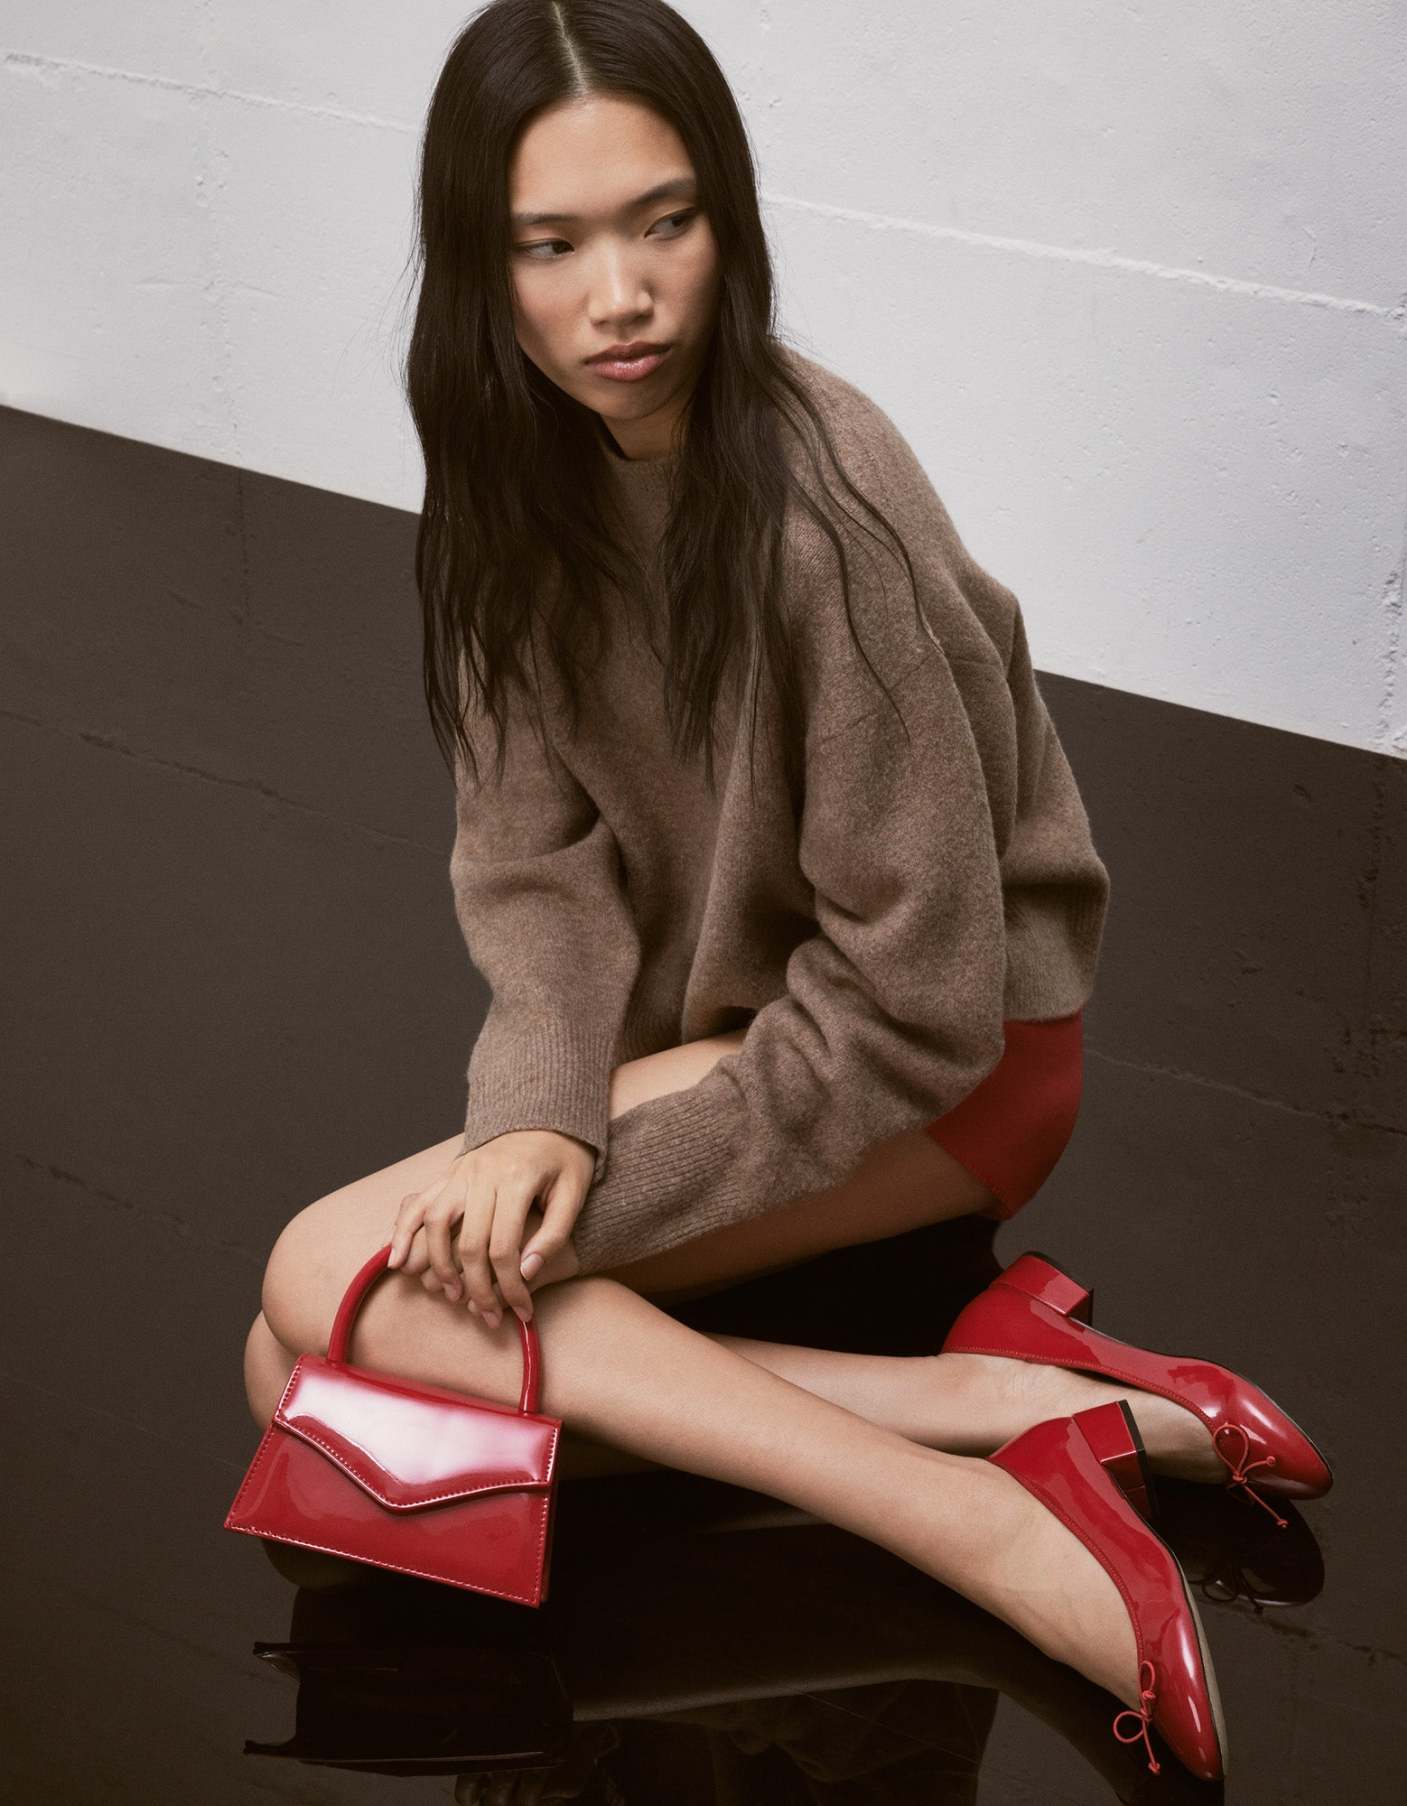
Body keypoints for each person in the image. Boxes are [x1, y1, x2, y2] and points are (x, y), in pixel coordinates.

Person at [244, 1, 1330, 1782]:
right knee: (305, 1373)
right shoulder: (514, 473)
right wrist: (537, 1111)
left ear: (727, 220)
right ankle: (996, 1404)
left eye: (662, 222)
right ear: (479, 266)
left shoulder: (828, 511)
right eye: (549, 245)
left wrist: (587, 1181)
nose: (619, 297)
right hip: (761, 1038)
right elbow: (535, 867)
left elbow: (920, 1004)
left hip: (946, 1068)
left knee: (333, 1280)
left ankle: (968, 1520)